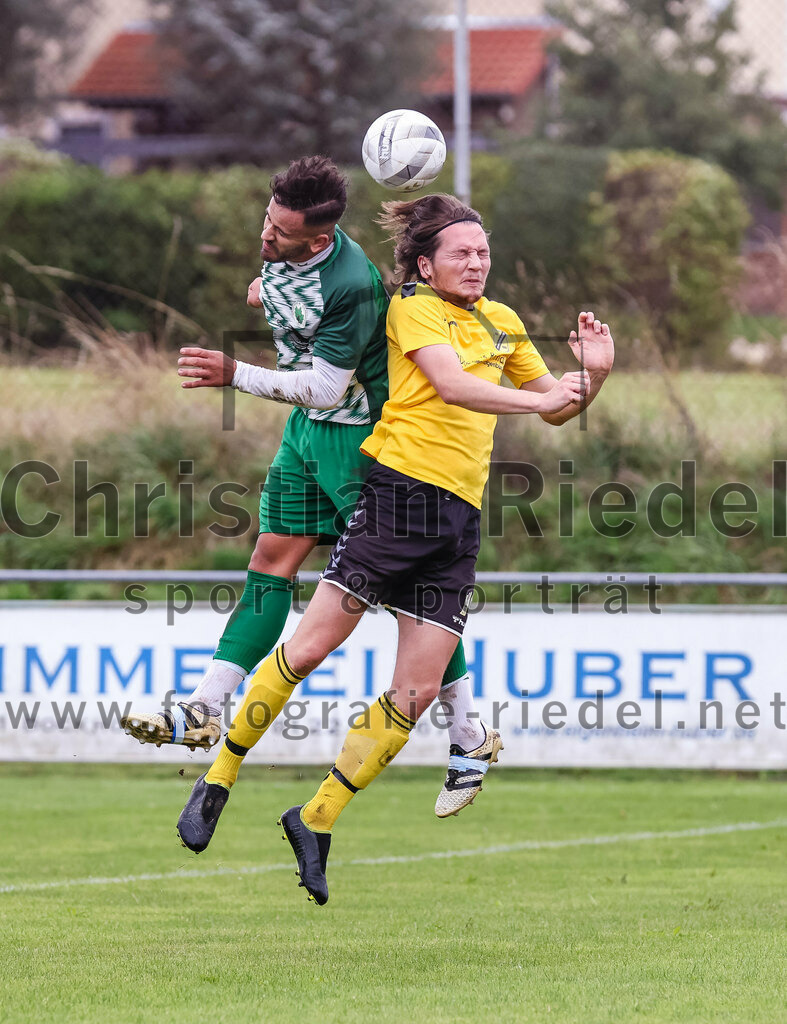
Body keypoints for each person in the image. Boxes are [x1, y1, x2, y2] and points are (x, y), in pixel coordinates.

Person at [176, 191, 614, 903]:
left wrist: (593, 375)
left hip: (457, 520)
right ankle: (218, 777)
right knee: (310, 648)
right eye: (461, 253)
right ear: (424, 265)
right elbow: (452, 385)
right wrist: (540, 400)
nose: (476, 263)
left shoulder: (503, 321)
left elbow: (561, 411)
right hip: (395, 500)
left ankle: (315, 819)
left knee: (415, 693)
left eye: (483, 252)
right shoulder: (412, 309)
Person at [121, 157, 496, 817]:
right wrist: (266, 290)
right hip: (306, 434)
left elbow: (325, 386)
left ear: (319, 239)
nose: (266, 236)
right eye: (268, 221)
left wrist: (235, 373)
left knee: (412, 597)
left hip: (360, 440)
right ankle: (204, 708)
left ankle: (468, 734)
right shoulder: (290, 250)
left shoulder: (349, 283)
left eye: (281, 232)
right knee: (270, 561)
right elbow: (287, 297)